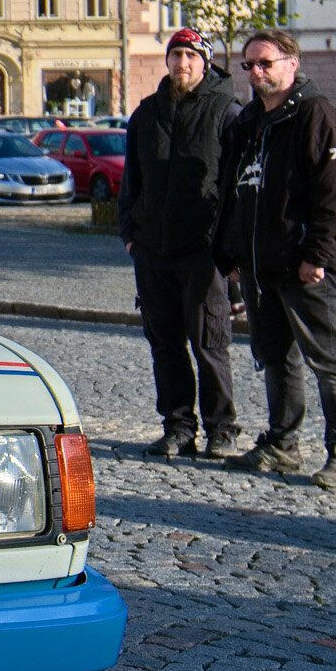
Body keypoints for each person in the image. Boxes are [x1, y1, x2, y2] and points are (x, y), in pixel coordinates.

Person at [214, 29, 336, 488]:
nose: (257, 73)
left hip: (305, 264)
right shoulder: (250, 123)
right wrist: (232, 255)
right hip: (262, 267)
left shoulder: (317, 115)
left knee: (328, 359)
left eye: (266, 63)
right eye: (249, 65)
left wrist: (318, 255)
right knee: (275, 358)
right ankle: (282, 445)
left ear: (291, 63)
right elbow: (235, 193)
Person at [119, 28, 242, 459]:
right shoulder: (146, 114)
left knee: (210, 342)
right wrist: (131, 236)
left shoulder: (227, 113)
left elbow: (237, 187)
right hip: (153, 250)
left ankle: (221, 430)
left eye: (190, 56)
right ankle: (178, 427)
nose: (182, 64)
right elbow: (130, 182)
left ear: (204, 63)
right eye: (176, 56)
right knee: (165, 344)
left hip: (203, 251)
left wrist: (230, 250)